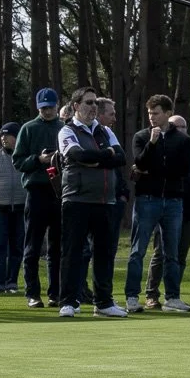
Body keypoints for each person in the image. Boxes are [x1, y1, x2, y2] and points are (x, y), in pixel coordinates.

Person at [56, 89, 127, 318]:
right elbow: (78, 156)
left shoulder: (105, 131)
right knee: (73, 252)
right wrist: (106, 155)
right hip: (76, 199)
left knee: (104, 253)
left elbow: (121, 158)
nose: (93, 106)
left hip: (105, 200)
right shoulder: (67, 130)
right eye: (88, 102)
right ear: (76, 105)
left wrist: (98, 158)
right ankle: (69, 301)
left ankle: (104, 302)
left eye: (95, 102)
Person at [125, 94, 190, 312]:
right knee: (138, 251)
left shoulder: (182, 140)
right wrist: (152, 144)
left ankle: (172, 297)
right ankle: (132, 297)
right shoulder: (141, 137)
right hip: (147, 199)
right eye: (149, 113)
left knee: (171, 253)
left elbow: (182, 170)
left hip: (173, 200)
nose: (151, 117)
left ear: (168, 113)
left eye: (155, 113)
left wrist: (152, 169)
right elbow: (140, 162)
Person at [14, 88, 64, 308]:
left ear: (57, 105)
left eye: (51, 107)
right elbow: (18, 161)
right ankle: (33, 293)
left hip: (60, 192)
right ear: (38, 108)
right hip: (36, 191)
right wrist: (38, 159)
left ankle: (55, 293)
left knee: (57, 246)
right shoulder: (28, 128)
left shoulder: (63, 128)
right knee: (33, 246)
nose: (48, 111)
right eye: (44, 108)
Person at [0, 122, 26, 295]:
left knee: (17, 247)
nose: (4, 138)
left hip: (20, 208)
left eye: (8, 135)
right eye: (2, 135)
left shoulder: (24, 156)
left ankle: (12, 282)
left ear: (16, 137)